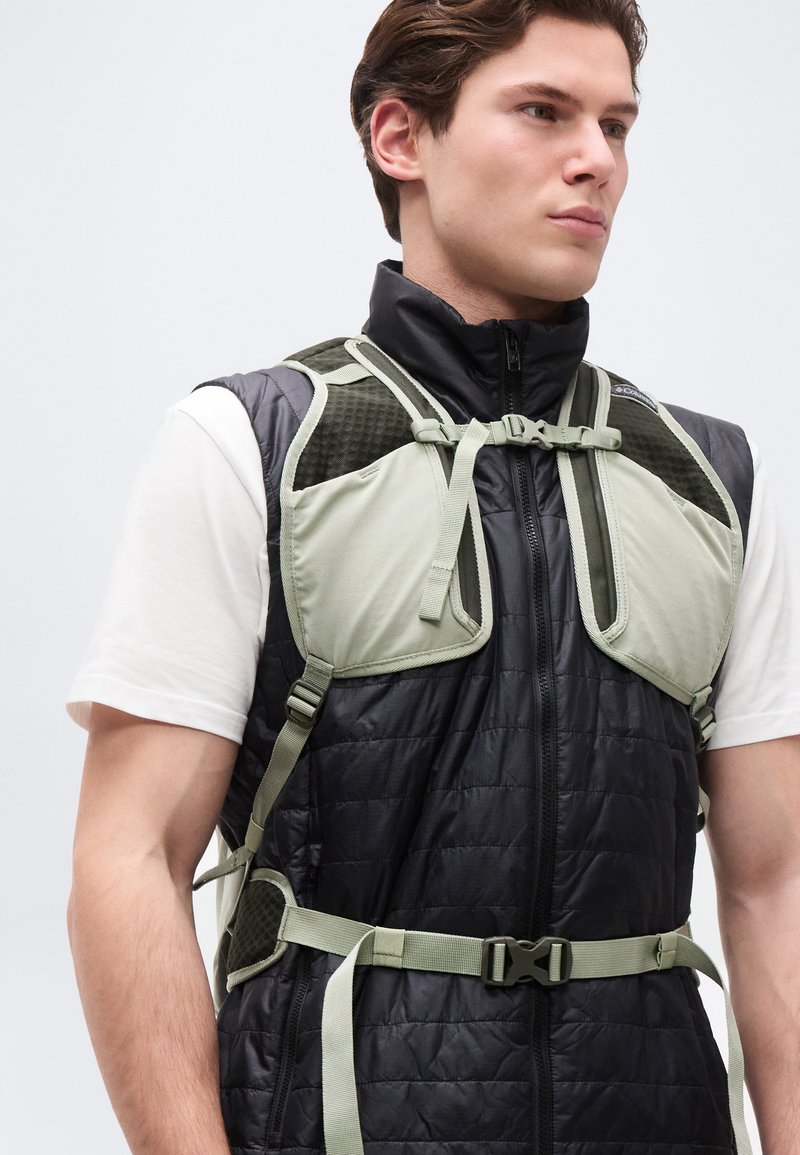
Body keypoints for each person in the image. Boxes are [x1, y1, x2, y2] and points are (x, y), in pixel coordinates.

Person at [67, 2, 800, 1153]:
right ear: (400, 136)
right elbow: (130, 859)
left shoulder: (709, 479)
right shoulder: (253, 446)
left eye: (615, 124)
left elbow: (773, 884)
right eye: (542, 112)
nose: (595, 160)